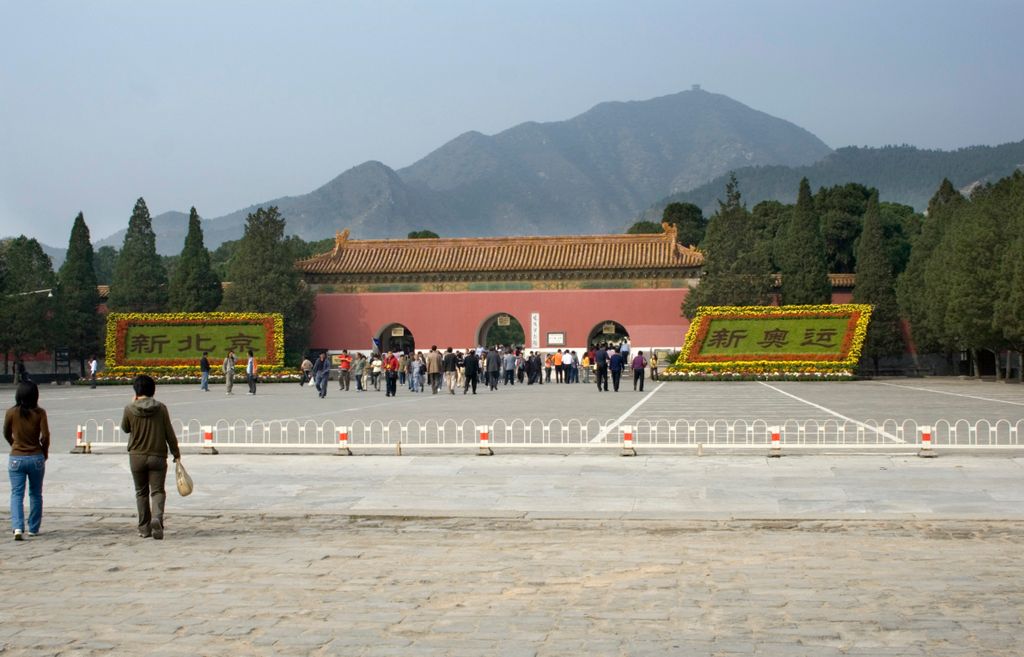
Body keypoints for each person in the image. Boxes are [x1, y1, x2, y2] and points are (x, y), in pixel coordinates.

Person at [121, 375, 181, 540]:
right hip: (157, 455)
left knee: (141, 492)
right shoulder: (161, 408)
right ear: (153, 390)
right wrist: (176, 453)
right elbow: (169, 433)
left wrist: (133, 403)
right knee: (157, 491)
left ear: (136, 390)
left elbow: (125, 428)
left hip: (137, 456)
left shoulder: (129, 408)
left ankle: (144, 528)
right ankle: (157, 519)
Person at [5, 381, 49, 540]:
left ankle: (17, 527)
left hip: (17, 457)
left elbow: (5, 432)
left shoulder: (12, 412)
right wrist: (44, 452)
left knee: (16, 493)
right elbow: (45, 436)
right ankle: (34, 527)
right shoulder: (40, 413)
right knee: (36, 493)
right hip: (36, 456)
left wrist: (14, 444)